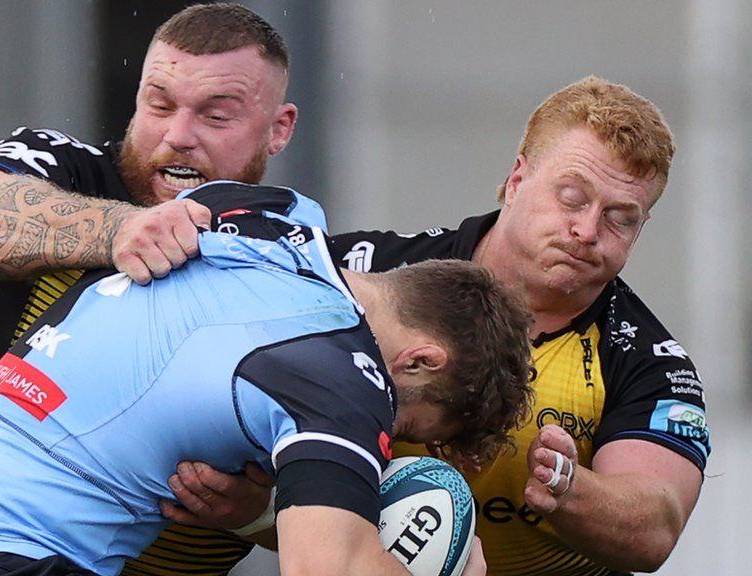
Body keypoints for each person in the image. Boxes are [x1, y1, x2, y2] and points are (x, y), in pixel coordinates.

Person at [169, 77, 712, 575]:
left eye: (621, 219)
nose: (587, 230)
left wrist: (569, 487)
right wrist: (258, 508)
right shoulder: (369, 276)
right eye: (572, 196)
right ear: (517, 179)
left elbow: (656, 527)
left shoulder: (647, 358)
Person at [0, 181, 534, 576]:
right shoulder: (343, 376)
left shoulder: (270, 212)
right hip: (9, 559)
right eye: (408, 421)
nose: (386, 433)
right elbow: (324, 568)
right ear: (420, 361)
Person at [0, 3, 298, 574]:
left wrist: (261, 512)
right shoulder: (66, 170)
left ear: (279, 129)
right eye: (159, 104)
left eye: (216, 116)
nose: (178, 136)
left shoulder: (296, 266)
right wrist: (119, 229)